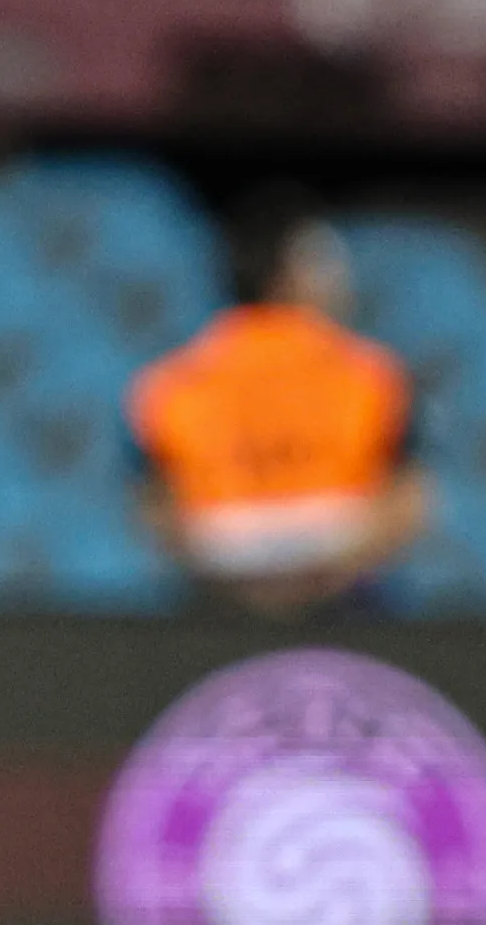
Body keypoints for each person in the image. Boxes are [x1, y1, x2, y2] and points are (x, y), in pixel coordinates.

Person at [126, 196, 427, 613]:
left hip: (219, 593)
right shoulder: (371, 374)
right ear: (290, 274)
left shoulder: (169, 381)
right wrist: (326, 575)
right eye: (324, 261)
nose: (340, 276)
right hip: (342, 596)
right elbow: (410, 500)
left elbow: (153, 509)